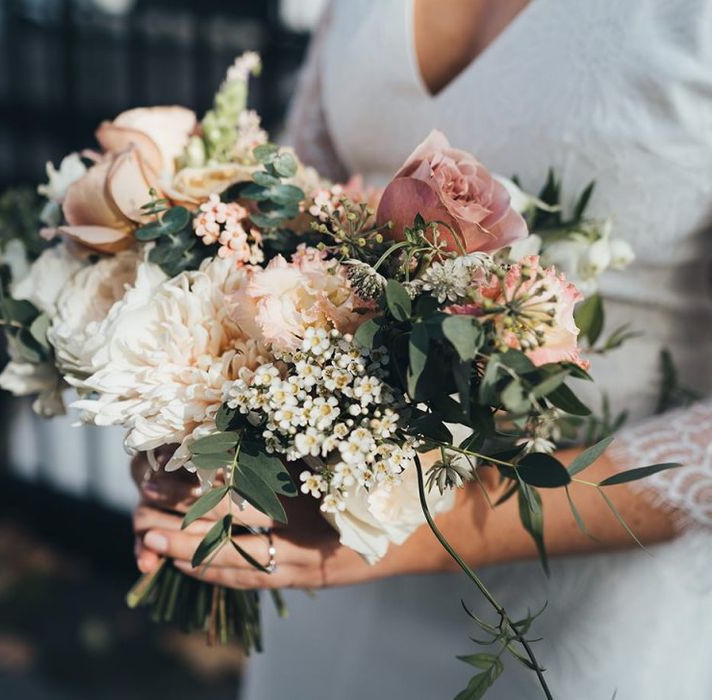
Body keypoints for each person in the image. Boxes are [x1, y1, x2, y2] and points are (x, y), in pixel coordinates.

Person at [132, 1, 712, 697]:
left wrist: (404, 534)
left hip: (563, 606)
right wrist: (199, 407)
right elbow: (295, 208)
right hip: (324, 561)